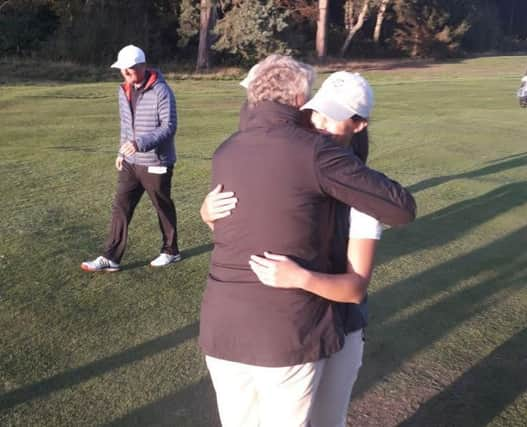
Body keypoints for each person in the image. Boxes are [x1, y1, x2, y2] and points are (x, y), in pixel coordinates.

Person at [199, 56, 416, 427]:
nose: (321, 124)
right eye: (317, 113)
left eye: (334, 117)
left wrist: (300, 278)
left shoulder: (232, 151)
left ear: (359, 124)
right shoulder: (299, 153)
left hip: (319, 323)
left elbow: (356, 283)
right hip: (285, 329)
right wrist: (206, 213)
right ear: (303, 105)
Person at [81, 45, 180, 272]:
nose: (125, 74)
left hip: (156, 161)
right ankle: (111, 257)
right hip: (130, 162)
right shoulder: (123, 90)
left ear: (143, 66)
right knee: (121, 206)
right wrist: (121, 152)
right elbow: (126, 126)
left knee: (162, 206)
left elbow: (169, 127)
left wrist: (139, 144)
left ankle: (171, 251)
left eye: (130, 69)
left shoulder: (161, 91)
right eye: (123, 69)